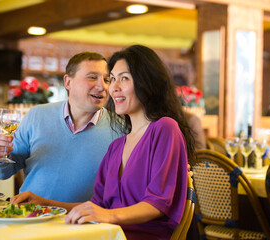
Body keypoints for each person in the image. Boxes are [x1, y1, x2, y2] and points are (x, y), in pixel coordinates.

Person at [11, 45, 194, 240]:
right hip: (105, 233)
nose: (112, 88)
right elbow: (98, 207)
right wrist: (44, 203)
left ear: (147, 82)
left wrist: (108, 216)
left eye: (123, 78)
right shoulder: (117, 145)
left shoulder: (165, 128)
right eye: (112, 79)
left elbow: (158, 203)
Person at [0, 52, 124, 202]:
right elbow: (3, 173)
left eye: (107, 80)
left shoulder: (120, 130)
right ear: (68, 82)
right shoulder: (36, 116)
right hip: (30, 218)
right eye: (92, 77)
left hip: (85, 223)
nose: (102, 86)